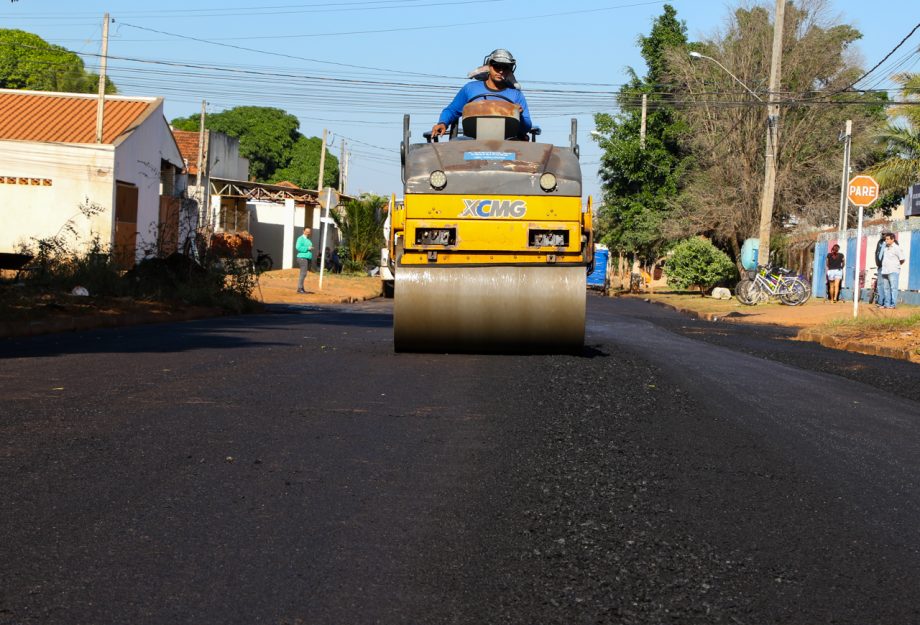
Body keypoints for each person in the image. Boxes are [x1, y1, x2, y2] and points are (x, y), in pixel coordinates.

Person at [430, 49, 532, 139]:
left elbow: (526, 126)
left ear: (510, 70)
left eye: (505, 67)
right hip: (473, 140)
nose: (501, 71)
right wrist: (442, 123)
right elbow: (452, 110)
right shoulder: (470, 89)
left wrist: (520, 114)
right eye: (496, 66)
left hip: (507, 143)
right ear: (489, 66)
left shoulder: (516, 95)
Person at [877, 232, 905, 309]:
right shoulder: (885, 248)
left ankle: (893, 305)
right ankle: (887, 304)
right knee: (886, 288)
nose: (886, 240)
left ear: (892, 239)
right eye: (885, 239)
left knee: (893, 288)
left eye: (887, 239)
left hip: (893, 271)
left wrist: (895, 266)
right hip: (885, 271)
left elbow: (902, 259)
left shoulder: (897, 248)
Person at [295, 227, 313, 293]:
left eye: (309, 231)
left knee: (303, 273)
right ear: (303, 231)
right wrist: (307, 248)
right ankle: (299, 288)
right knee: (303, 273)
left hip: (307, 258)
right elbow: (298, 247)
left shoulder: (308, 239)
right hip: (302, 257)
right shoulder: (300, 238)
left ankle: (301, 288)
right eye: (306, 231)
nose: (308, 232)